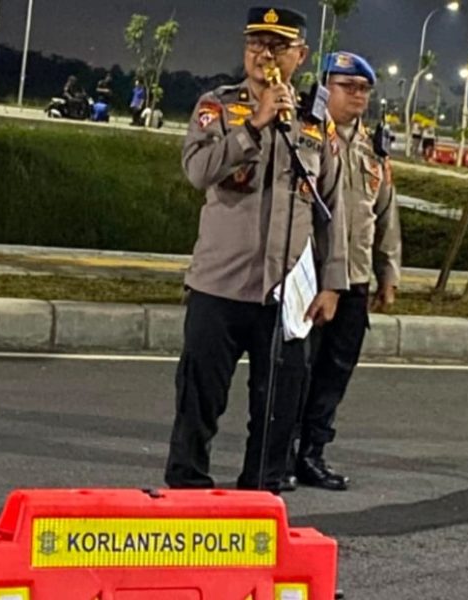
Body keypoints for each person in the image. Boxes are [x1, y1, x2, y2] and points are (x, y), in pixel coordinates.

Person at [164, 6, 349, 494]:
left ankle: (260, 496)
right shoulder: (218, 107)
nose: (264, 54)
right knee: (199, 400)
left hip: (286, 294)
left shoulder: (316, 121)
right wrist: (254, 127)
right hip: (219, 285)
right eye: (255, 43)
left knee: (277, 410)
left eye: (277, 46)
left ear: (300, 56)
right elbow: (198, 171)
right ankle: (188, 493)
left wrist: (333, 283)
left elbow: (333, 208)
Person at [286, 51, 402, 491]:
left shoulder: (374, 149)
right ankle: (282, 452)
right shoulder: (307, 135)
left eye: (364, 89)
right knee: (297, 370)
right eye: (347, 86)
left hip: (355, 278)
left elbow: (385, 214)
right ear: (325, 87)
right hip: (309, 277)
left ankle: (312, 453)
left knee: (335, 372)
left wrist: (388, 273)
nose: (357, 95)